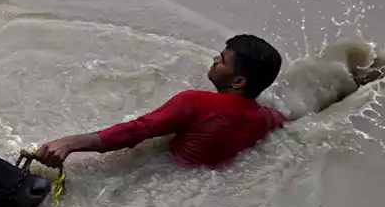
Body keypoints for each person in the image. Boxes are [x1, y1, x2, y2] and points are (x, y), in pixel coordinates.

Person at [35, 35, 285, 170]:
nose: (214, 59)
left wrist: (69, 143)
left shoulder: (196, 102)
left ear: (238, 81)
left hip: (163, 173)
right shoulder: (265, 118)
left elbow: (136, 131)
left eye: (222, 59)